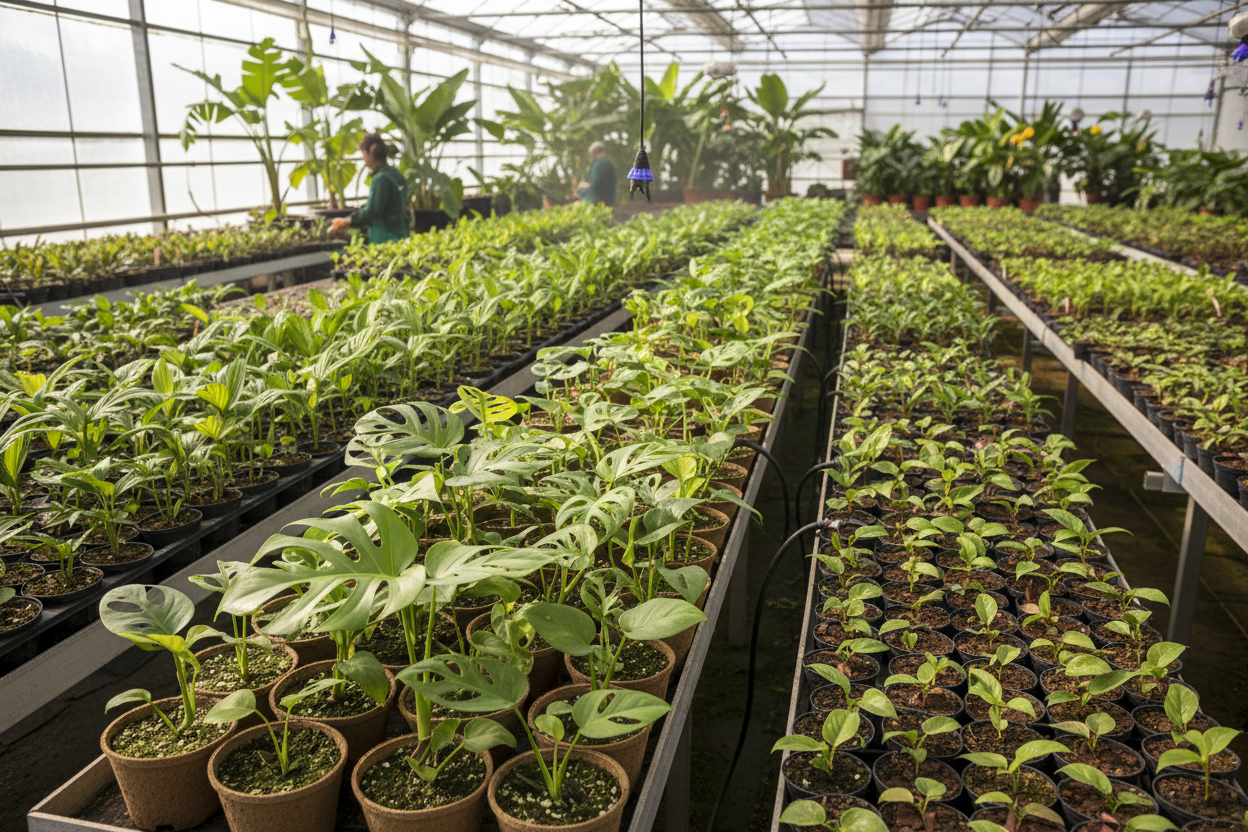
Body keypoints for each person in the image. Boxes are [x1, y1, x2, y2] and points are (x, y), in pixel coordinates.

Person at [329, 134, 408, 244]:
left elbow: (372, 211)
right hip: (401, 234)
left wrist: (347, 221)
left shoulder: (381, 179)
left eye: (364, 154)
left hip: (385, 238)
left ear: (372, 151)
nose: (363, 159)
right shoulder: (395, 174)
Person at [573, 141, 617, 206]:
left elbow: (596, 187)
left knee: (578, 193)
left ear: (594, 153)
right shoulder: (609, 163)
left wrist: (580, 191)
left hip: (599, 199)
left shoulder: (598, 163)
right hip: (610, 199)